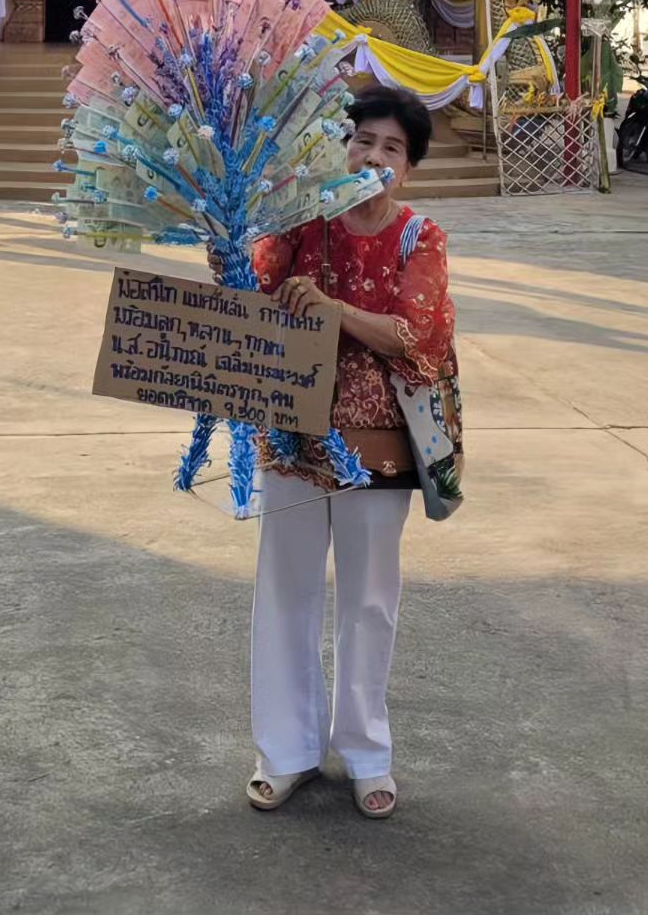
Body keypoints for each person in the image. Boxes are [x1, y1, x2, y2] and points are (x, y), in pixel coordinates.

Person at [245, 84, 457, 820]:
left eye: (392, 147)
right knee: (285, 592)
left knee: (369, 600)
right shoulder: (303, 219)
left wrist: (337, 312)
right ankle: (286, 751)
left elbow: (417, 334)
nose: (374, 155)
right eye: (363, 140)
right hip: (292, 434)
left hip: (378, 449)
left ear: (411, 167)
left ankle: (367, 752)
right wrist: (230, 227)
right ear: (342, 148)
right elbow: (248, 288)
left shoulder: (417, 237)